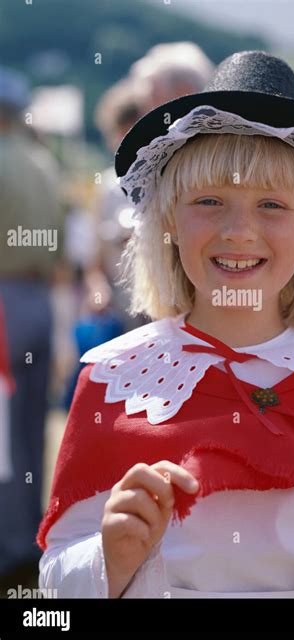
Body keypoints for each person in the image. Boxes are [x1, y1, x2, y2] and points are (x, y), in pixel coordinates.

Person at [37, 52, 294, 599]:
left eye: (272, 204)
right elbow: (57, 579)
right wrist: (108, 557)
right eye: (209, 201)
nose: (239, 231)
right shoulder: (112, 380)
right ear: (170, 220)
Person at [0, 67, 62, 581]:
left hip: (4, 299)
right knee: (29, 426)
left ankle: (11, 541)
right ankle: (28, 533)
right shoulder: (42, 161)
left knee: (3, 427)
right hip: (39, 298)